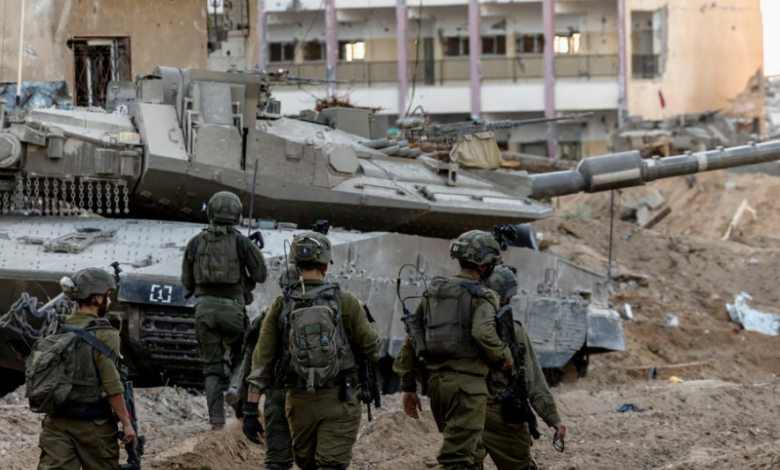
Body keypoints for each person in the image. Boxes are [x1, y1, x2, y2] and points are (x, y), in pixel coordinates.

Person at [245, 231, 382, 470]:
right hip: (340, 400)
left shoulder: (281, 305)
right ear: (326, 265)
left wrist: (249, 411)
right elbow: (374, 350)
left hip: (299, 404)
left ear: (295, 265)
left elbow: (261, 361)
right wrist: (367, 320)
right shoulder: (347, 302)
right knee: (331, 465)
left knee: (306, 464)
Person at [394, 230, 513, 470]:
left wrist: (408, 386)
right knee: (456, 460)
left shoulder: (435, 292)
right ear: (484, 266)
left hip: (438, 388)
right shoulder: (484, 296)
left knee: (471, 453)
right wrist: (505, 357)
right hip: (468, 388)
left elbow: (413, 337)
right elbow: (483, 333)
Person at [181, 191, 267, 430]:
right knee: (245, 353)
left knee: (212, 368)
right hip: (233, 310)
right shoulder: (242, 242)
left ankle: (217, 424)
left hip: (204, 310)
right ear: (237, 215)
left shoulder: (195, 242)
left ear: (210, 212)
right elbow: (261, 274)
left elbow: (187, 282)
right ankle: (234, 388)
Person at [36, 268, 137, 470]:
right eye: (108, 296)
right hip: (94, 425)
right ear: (97, 298)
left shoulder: (57, 327)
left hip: (56, 422)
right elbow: (111, 384)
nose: (110, 301)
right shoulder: (107, 334)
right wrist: (127, 424)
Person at [480, 265, 566, 470]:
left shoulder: (464, 327)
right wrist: (553, 419)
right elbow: (533, 379)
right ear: (508, 297)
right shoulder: (513, 331)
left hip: (463, 409)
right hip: (500, 413)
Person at [231, 267, 298, 470]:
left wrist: (244, 404)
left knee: (278, 461)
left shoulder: (268, 317)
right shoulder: (331, 311)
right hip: (322, 398)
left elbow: (252, 362)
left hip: (279, 397)